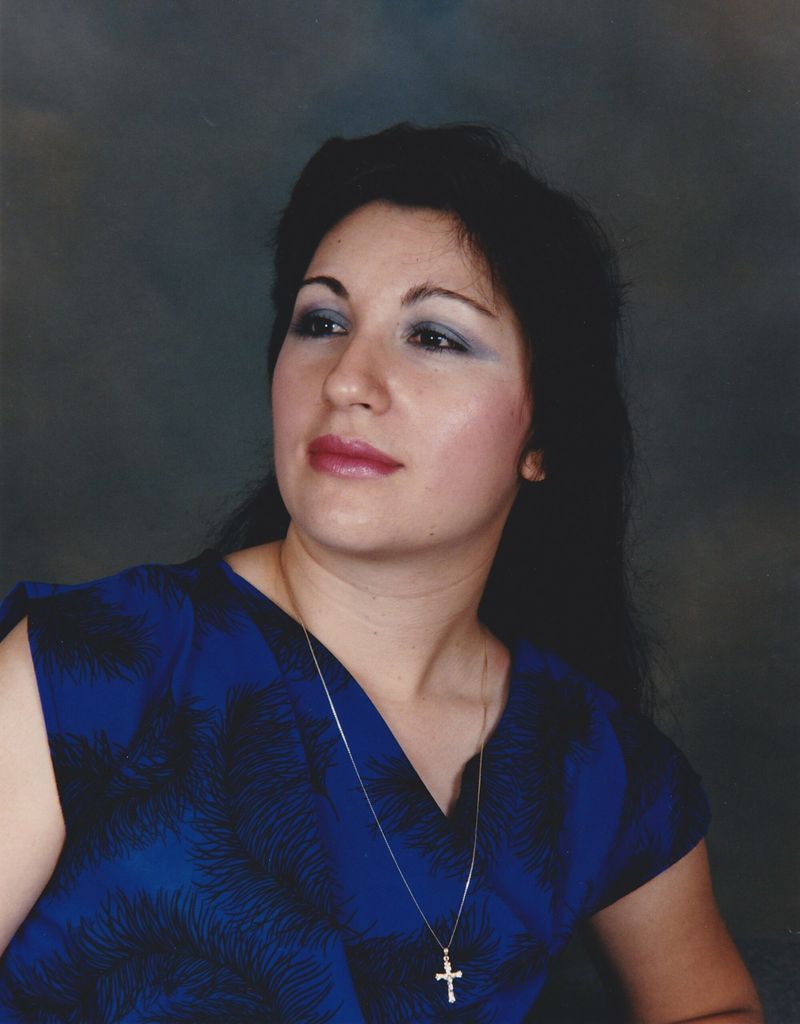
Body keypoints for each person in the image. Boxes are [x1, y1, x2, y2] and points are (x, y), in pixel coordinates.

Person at [0, 124, 761, 1022]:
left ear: (545, 439)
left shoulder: (591, 766)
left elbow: (712, 1006)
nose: (348, 379)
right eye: (321, 323)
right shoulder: (90, 665)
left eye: (434, 336)